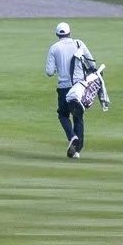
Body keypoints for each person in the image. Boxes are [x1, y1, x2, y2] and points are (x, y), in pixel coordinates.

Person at [45, 21, 95, 158]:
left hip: (64, 88)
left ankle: (72, 137)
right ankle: (77, 151)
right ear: (69, 33)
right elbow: (91, 62)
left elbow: (49, 72)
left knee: (63, 115)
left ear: (57, 34)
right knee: (78, 117)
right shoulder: (79, 44)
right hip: (79, 87)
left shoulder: (54, 48)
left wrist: (57, 68)